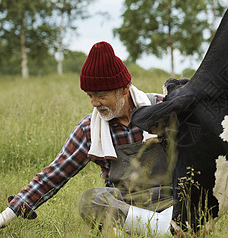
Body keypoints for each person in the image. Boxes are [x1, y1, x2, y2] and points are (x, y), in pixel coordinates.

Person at [0, 41, 174, 235]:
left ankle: (158, 227)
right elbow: (54, 174)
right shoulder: (90, 128)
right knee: (90, 200)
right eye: (89, 95)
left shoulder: (161, 108)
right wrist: (6, 216)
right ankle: (165, 230)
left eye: (100, 95)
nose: (94, 102)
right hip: (127, 207)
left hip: (172, 201)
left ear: (124, 89)